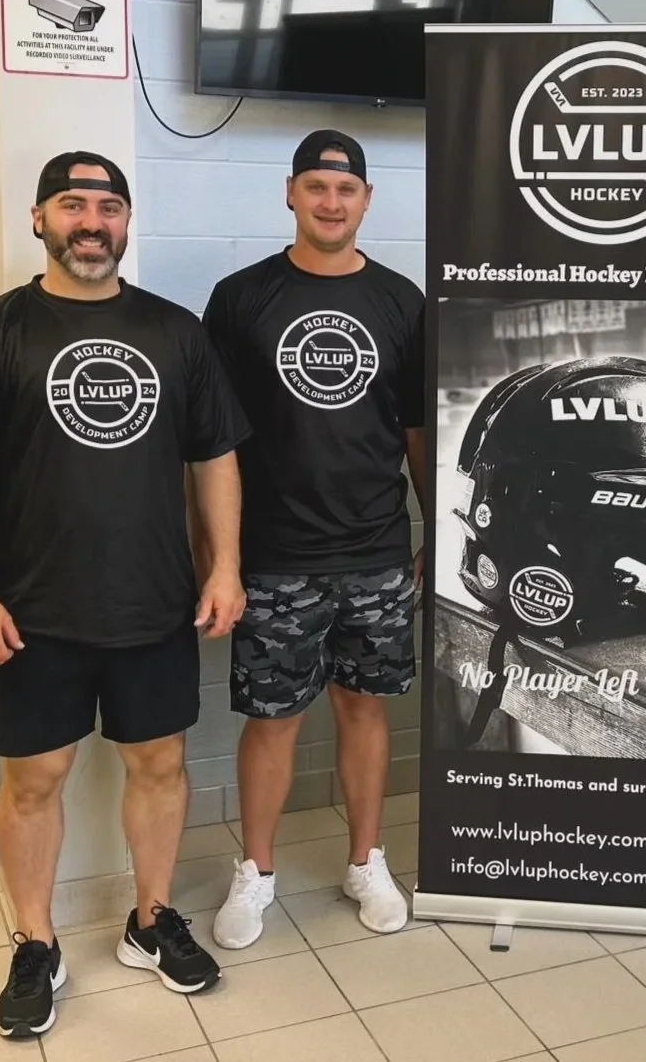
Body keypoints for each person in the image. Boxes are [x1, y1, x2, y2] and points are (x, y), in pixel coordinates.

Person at [0, 152, 253, 1038]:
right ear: (39, 219)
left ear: (126, 222)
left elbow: (214, 458)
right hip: (33, 612)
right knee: (34, 780)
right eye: (71, 204)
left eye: (107, 206)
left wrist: (223, 568)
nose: (91, 221)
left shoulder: (176, 332)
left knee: (160, 765)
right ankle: (36, 942)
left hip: (154, 605)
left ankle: (151, 920)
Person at [191, 129, 425, 950]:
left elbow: (415, 430)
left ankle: (366, 861)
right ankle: (256, 872)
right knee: (274, 720)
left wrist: (434, 533)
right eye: (317, 187)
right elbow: (211, 442)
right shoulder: (240, 298)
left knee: (364, 710)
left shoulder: (401, 301)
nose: (331, 202)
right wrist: (216, 559)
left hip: (376, 552)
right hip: (275, 556)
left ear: (366, 200)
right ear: (290, 193)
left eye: (346, 189)